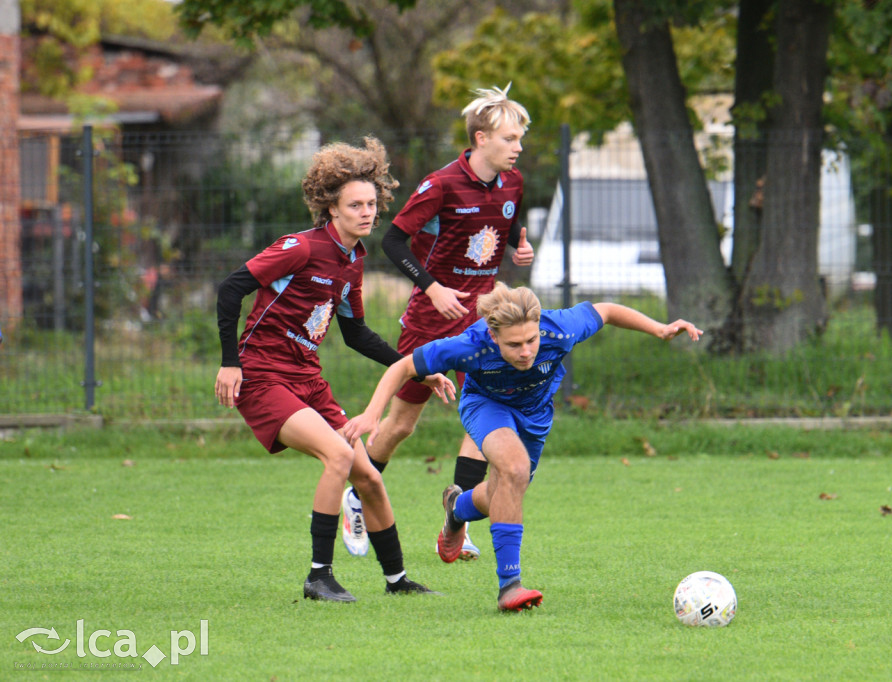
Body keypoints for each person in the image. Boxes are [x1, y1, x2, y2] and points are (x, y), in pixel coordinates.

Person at [343, 282, 703, 611]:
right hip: (486, 407)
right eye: (514, 344)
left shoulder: (560, 328)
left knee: (507, 488)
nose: (527, 351)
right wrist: (374, 413)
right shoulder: (469, 346)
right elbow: (404, 367)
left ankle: (458, 507)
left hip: (535, 414)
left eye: (531, 340)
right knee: (513, 469)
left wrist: (659, 328)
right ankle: (509, 586)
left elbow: (605, 311)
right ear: (493, 334)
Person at [214, 137, 454, 602]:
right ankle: (318, 576)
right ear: (331, 209)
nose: (367, 213)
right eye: (355, 205)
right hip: (263, 375)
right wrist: (230, 362)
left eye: (372, 204)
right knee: (340, 457)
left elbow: (357, 334)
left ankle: (396, 581)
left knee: (370, 478)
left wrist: (417, 369)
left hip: (308, 378)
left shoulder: (354, 260)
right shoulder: (300, 248)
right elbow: (230, 289)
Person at [341, 84, 534, 562]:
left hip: (484, 319)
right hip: (432, 316)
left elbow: (503, 231)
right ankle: (357, 492)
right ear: (481, 137)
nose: (518, 147)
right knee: (403, 422)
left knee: (481, 418)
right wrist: (433, 287)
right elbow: (392, 242)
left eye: (520, 139)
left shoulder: (513, 183)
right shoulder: (441, 185)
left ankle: (458, 520)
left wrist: (519, 250)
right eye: (510, 138)